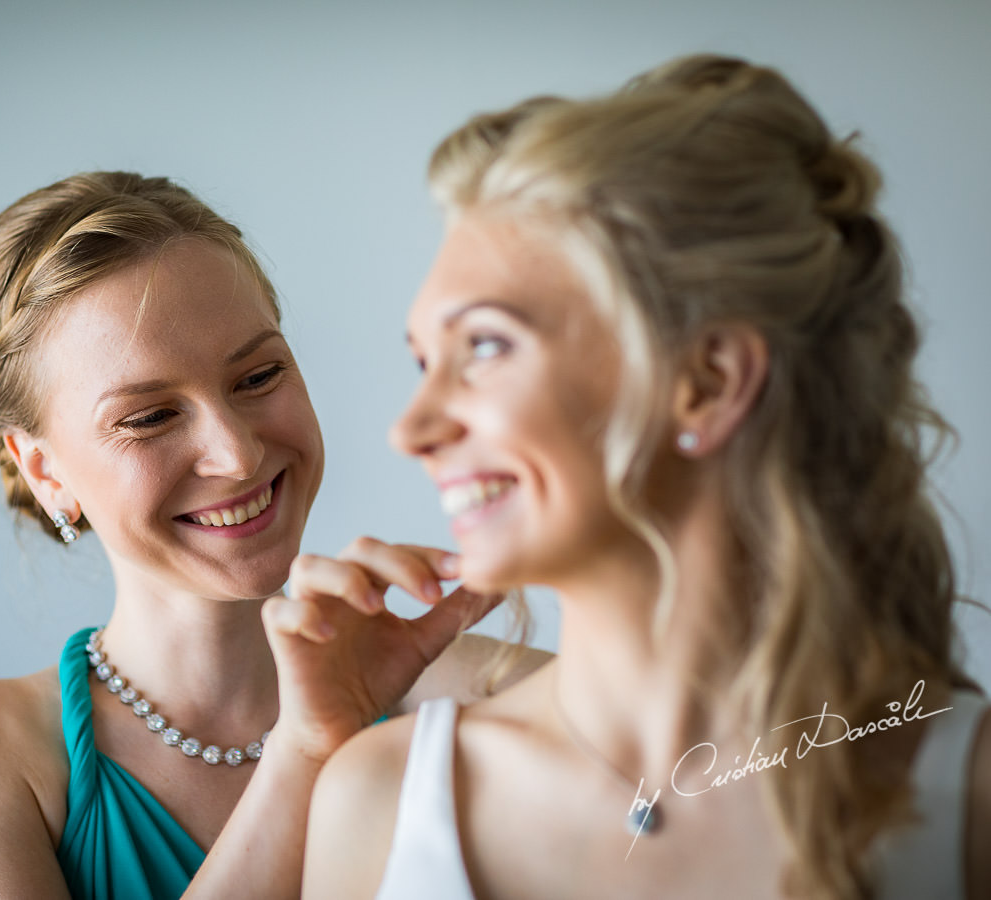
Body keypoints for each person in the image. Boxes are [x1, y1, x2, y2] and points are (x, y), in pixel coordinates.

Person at [300, 55, 991, 899]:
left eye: (485, 346)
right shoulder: (377, 799)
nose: (411, 430)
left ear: (706, 382)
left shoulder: (970, 799)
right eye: (422, 361)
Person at [0, 171, 548, 899]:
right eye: (149, 417)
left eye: (259, 375)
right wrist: (304, 752)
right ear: (44, 472)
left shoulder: (477, 694)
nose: (238, 454)